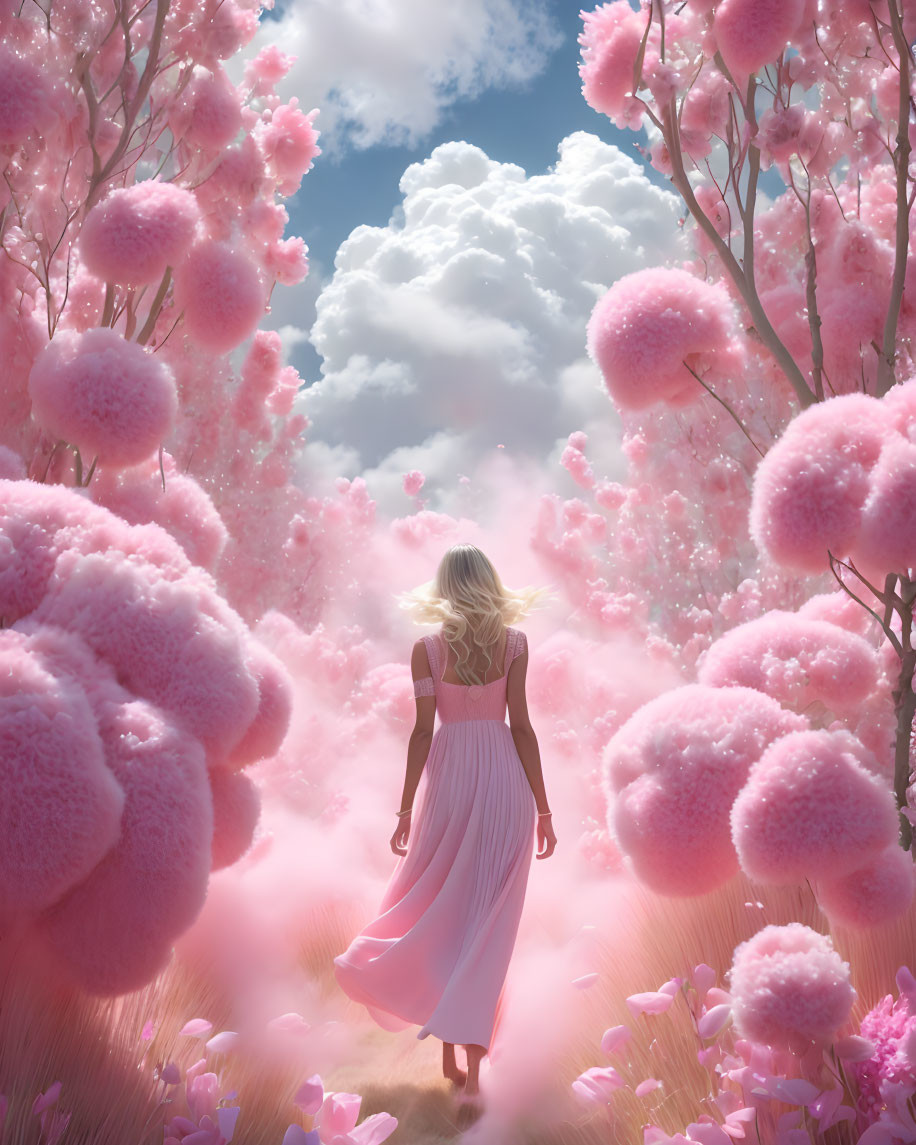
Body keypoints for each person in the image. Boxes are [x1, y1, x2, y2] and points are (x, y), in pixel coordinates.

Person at [332, 543, 557, 1107]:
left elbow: (422, 734)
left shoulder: (427, 652)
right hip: (507, 786)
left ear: (446, 588)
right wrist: (545, 808)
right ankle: (472, 1072)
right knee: (487, 925)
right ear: (488, 582)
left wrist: (406, 806)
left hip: (450, 788)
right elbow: (522, 727)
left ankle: (451, 1058)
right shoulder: (515, 645)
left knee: (441, 909)